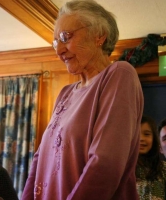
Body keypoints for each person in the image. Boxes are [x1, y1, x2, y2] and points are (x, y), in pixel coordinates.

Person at [22, 0, 144, 199]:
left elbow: (105, 163)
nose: (59, 50)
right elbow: (39, 160)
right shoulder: (65, 93)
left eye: (65, 37)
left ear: (99, 36)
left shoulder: (119, 74)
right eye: (56, 42)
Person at [136, 115, 166, 199]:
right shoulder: (123, 170)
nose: (141, 138)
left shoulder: (163, 169)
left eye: (146, 134)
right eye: (136, 134)